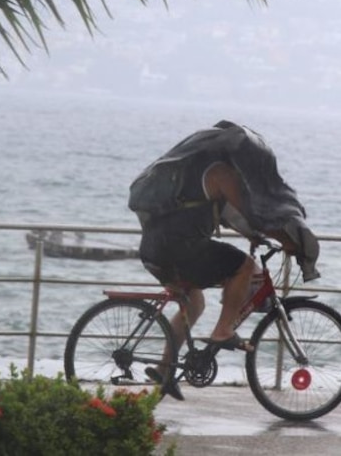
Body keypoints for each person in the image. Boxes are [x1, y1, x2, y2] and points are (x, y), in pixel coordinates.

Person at [128, 120, 319, 400]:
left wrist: (251, 236)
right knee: (245, 267)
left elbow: (231, 216)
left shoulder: (195, 171)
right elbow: (252, 213)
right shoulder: (221, 174)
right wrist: (287, 241)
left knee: (193, 303)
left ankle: (164, 369)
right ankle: (223, 330)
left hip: (155, 248)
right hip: (181, 248)